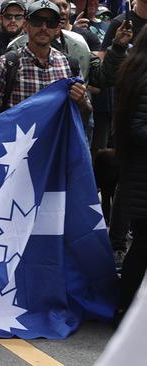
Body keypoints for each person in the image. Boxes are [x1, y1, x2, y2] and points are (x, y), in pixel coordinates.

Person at [0, 1, 91, 121]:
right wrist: (12, 126)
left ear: (57, 29)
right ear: (26, 25)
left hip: (57, 139)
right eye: (37, 21)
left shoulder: (69, 65)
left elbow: (86, 111)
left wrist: (81, 100)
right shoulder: (7, 63)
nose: (44, 27)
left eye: (51, 23)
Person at [113, 25, 147, 321]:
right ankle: (125, 311)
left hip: (137, 174)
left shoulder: (136, 69)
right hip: (142, 175)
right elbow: (138, 128)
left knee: (142, 246)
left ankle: (126, 309)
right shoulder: (144, 76)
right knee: (142, 246)